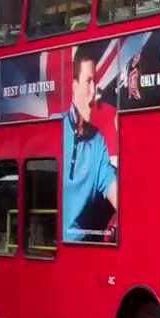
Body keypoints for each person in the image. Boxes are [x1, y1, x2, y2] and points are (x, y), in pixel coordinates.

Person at [63, 46, 118, 243]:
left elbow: (115, 191)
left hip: (81, 251)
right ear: (74, 86)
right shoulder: (56, 130)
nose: (94, 91)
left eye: (95, 82)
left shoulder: (97, 141)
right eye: (88, 81)